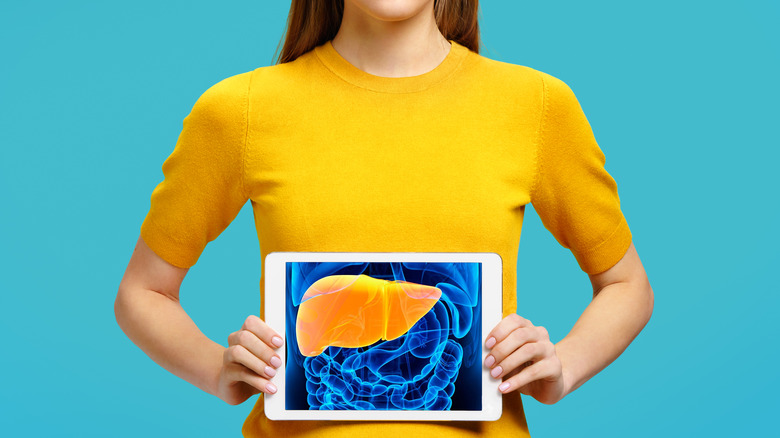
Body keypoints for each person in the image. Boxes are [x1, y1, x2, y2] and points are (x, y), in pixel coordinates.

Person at [114, 0, 654, 437]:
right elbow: (143, 292)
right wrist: (218, 371)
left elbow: (628, 284)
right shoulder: (242, 111)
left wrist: (562, 366)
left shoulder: (536, 107)